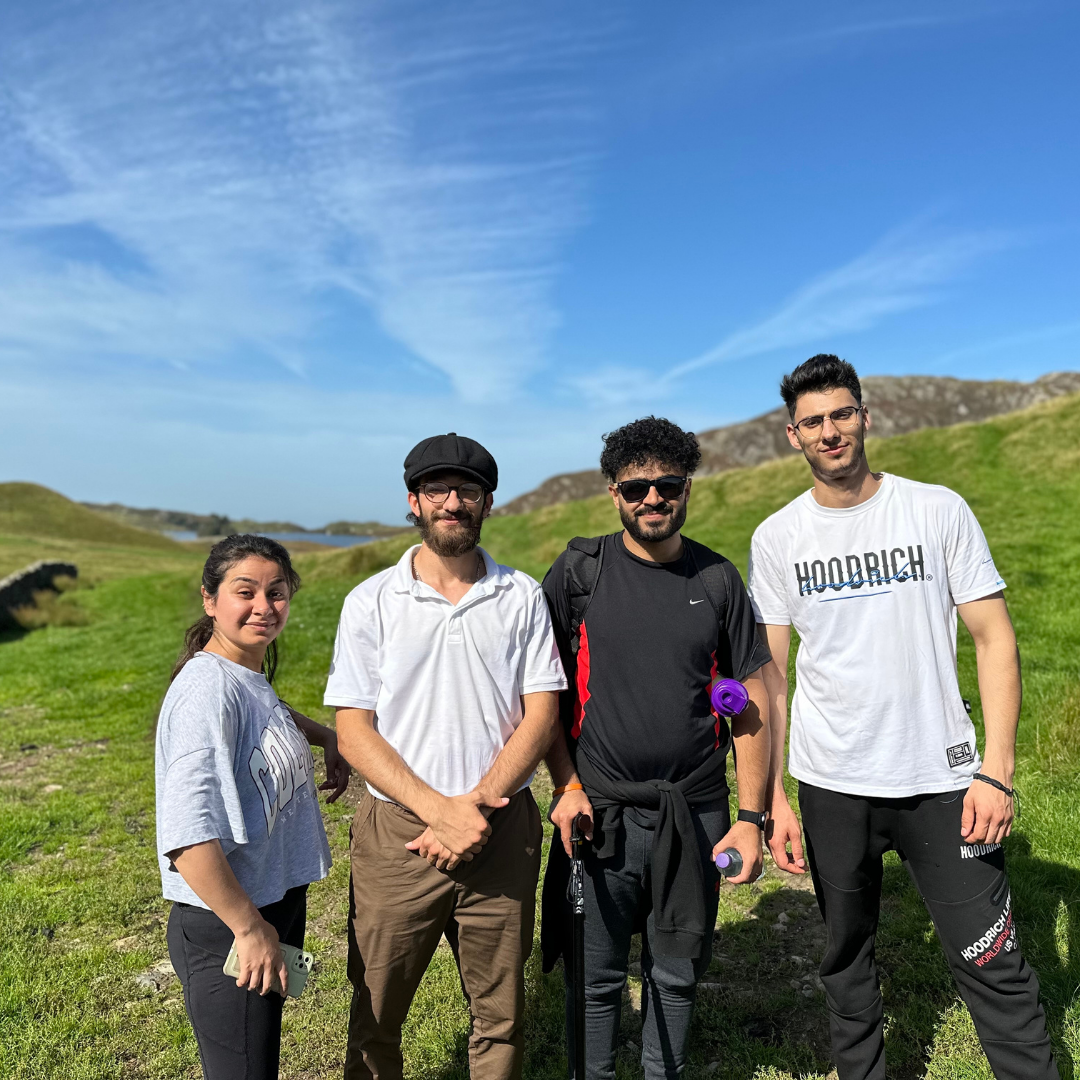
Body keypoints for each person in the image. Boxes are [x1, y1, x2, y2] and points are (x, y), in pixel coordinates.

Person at [749, 354, 1059, 1080]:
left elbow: (995, 637)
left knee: (993, 961)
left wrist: (998, 770)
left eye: (842, 414)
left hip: (945, 780)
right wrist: (771, 798)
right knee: (846, 964)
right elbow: (771, 678)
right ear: (793, 435)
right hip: (832, 784)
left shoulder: (936, 508)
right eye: (813, 421)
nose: (831, 432)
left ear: (866, 416)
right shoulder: (777, 537)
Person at [324, 432, 567, 1080]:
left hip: (501, 827)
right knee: (375, 1017)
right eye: (438, 489)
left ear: (488, 502)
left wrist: (478, 806)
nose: (452, 501)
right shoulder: (371, 601)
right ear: (413, 501)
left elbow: (541, 713)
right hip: (400, 840)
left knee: (501, 1018)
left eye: (467, 490)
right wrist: (440, 812)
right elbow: (353, 730)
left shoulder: (521, 597)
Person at [540, 416, 773, 1080]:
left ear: (687, 488)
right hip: (598, 811)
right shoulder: (578, 573)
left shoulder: (720, 580)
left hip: (695, 813)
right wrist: (565, 786)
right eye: (636, 487)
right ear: (613, 492)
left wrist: (751, 820)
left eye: (667, 485)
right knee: (594, 978)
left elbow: (751, 707)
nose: (652, 500)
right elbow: (540, 696)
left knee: (676, 969)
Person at [156, 534, 350, 1080]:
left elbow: (270, 710)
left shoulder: (243, 673)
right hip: (228, 918)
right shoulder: (206, 692)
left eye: (277, 592)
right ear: (209, 599)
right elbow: (186, 835)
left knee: (255, 1055)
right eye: (246, 592)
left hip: (272, 901)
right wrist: (248, 928)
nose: (264, 607)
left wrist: (326, 735)